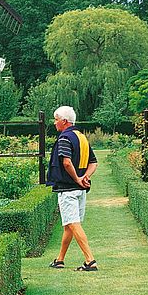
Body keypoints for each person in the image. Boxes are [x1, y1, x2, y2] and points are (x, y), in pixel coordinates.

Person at [47, 106, 99, 271]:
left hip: (68, 189)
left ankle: (90, 260)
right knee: (69, 225)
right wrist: (85, 177)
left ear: (64, 121)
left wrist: (77, 178)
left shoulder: (64, 138)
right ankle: (60, 259)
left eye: (56, 120)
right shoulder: (82, 137)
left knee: (73, 224)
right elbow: (94, 163)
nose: (54, 123)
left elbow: (66, 162)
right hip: (80, 190)